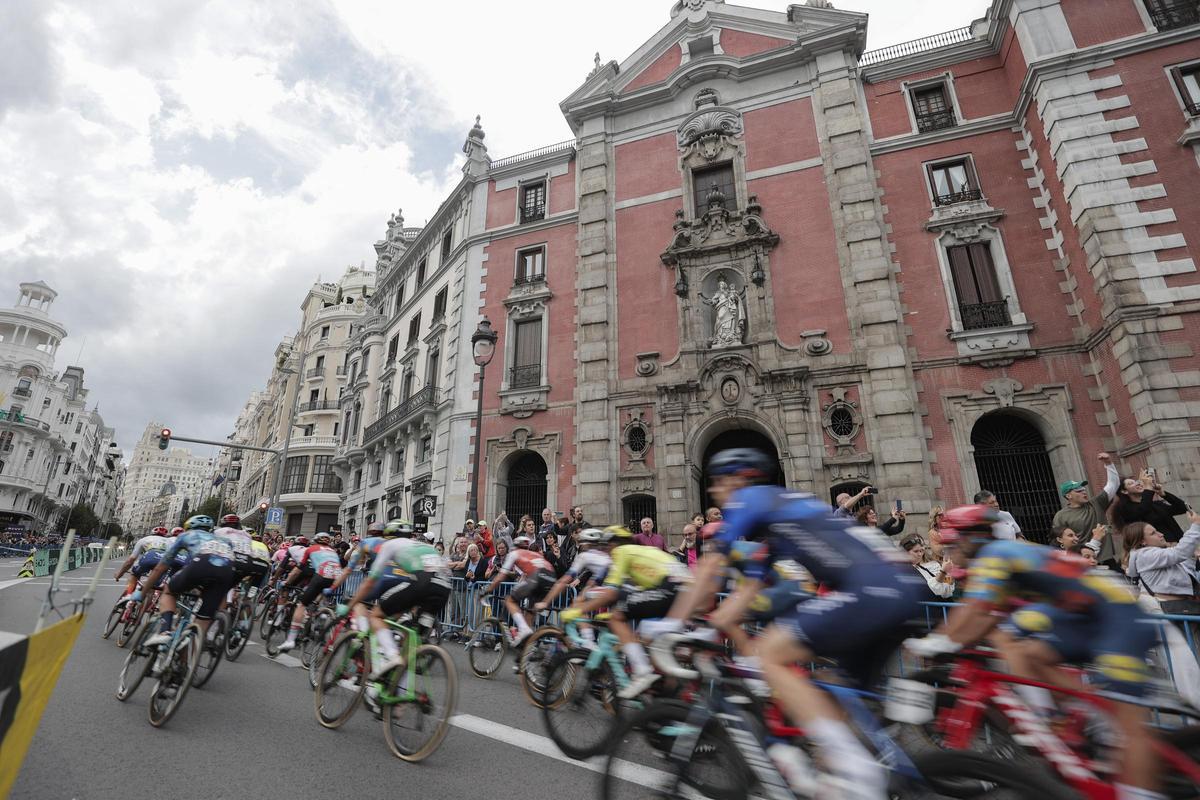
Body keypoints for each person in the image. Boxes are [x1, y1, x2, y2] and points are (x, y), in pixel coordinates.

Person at [653, 449, 924, 800]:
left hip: (871, 591)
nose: (715, 493)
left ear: (738, 479)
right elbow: (749, 590)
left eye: (718, 483)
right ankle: (863, 775)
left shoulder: (750, 498)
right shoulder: (781, 518)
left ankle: (855, 772)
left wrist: (670, 626)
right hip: (901, 590)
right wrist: (713, 626)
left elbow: (707, 570)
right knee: (829, 691)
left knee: (769, 655)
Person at [907, 505, 1161, 800]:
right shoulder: (997, 557)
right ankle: (1079, 716)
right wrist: (947, 639)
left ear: (972, 538)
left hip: (1119, 618)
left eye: (953, 543)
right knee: (1031, 653)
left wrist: (933, 642)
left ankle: (1139, 789)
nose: (950, 550)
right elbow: (985, 618)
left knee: (1131, 730)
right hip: (1083, 617)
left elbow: (976, 611)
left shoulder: (996, 555)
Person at [562, 532, 691, 698]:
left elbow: (611, 593)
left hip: (670, 587)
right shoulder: (640, 554)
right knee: (648, 640)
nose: (606, 552)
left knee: (617, 618)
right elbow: (633, 592)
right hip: (685, 591)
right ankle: (665, 700)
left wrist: (579, 610)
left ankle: (642, 672)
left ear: (614, 545)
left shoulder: (622, 552)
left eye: (607, 547)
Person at [339, 523, 452, 678]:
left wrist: (350, 605)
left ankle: (391, 655)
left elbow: (372, 580)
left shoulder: (389, 544)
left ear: (386, 535)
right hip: (444, 587)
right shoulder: (424, 545)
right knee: (411, 639)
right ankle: (398, 689)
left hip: (423, 582)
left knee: (376, 615)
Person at [137, 516, 236, 649]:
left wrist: (143, 593)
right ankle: (185, 665)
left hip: (202, 564)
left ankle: (165, 631)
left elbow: (161, 567)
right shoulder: (226, 541)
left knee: (169, 592)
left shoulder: (187, 535)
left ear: (188, 527)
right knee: (201, 623)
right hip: (227, 571)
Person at [1124, 513, 1200, 627]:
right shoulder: (1144, 555)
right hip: (1165, 611)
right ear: (1142, 542)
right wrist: (1196, 526)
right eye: (1153, 533)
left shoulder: (1159, 554)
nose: (1161, 534)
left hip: (1180, 609)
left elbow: (1186, 564)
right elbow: (1179, 553)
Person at [479, 535, 556, 645]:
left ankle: (523, 631)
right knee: (530, 613)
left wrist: (487, 591)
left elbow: (501, 577)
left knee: (509, 600)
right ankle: (527, 647)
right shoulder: (535, 554)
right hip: (550, 578)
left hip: (537, 577)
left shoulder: (514, 553)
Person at [1052, 452, 1121, 567]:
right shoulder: (1061, 516)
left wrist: (1108, 463)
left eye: (1083, 488)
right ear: (1068, 496)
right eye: (1078, 490)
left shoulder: (1096, 503)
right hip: (1082, 563)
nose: (1083, 491)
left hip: (1106, 559)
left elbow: (1113, 484)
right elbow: (1059, 541)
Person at [278, 532, 343, 652]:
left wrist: (286, 582)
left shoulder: (311, 549)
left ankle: (290, 640)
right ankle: (321, 617)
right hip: (337, 579)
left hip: (321, 576)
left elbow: (298, 570)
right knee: (320, 599)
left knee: (302, 605)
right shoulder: (333, 551)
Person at [1110, 469, 1188, 543]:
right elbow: (1143, 510)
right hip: (1158, 552)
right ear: (1124, 491)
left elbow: (1183, 508)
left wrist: (1164, 494)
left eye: (1136, 481)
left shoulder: (1156, 505)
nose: (1138, 483)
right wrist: (1148, 488)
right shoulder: (1127, 510)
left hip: (1180, 547)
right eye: (1131, 483)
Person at [899, 535, 955, 599]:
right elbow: (929, 590)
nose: (920, 554)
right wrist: (943, 572)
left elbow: (946, 591)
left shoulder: (923, 569)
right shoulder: (903, 570)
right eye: (916, 551)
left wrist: (950, 574)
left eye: (921, 551)